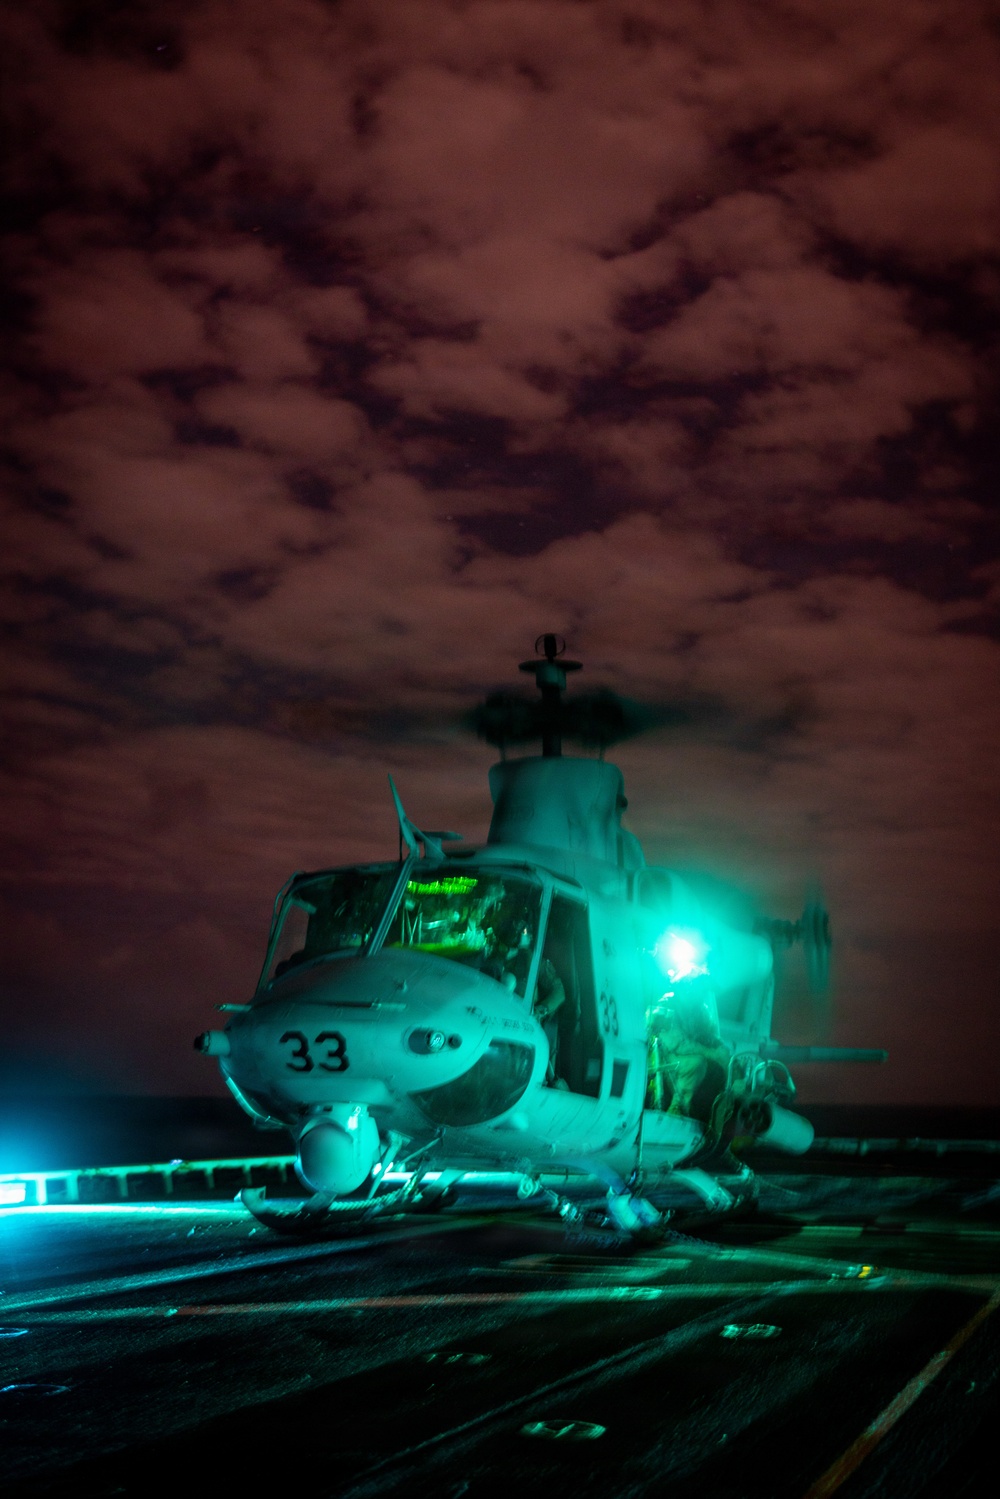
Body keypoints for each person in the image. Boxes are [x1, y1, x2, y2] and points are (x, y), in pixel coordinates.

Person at [649, 996, 729, 1119]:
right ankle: (676, 1110)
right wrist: (712, 1053)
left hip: (678, 1055)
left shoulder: (700, 1011)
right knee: (695, 1064)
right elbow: (678, 1043)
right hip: (660, 1053)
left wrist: (724, 1056)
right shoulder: (667, 1004)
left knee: (718, 1068)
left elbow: (708, 1034)